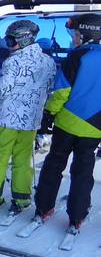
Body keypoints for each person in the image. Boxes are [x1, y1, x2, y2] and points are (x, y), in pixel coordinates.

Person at [0, 19, 56, 217]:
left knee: (0, 155)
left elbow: (3, 88)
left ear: (24, 40)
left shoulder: (13, 61)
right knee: (23, 158)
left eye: (11, 40)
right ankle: (21, 198)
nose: (8, 44)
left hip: (8, 118)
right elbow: (50, 87)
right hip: (31, 120)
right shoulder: (48, 62)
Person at [32, 13, 101, 236]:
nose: (73, 39)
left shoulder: (77, 56)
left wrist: (49, 113)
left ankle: (44, 208)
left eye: (76, 34)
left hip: (67, 123)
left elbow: (62, 91)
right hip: (94, 128)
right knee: (83, 171)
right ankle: (77, 216)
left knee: (54, 164)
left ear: (88, 35)